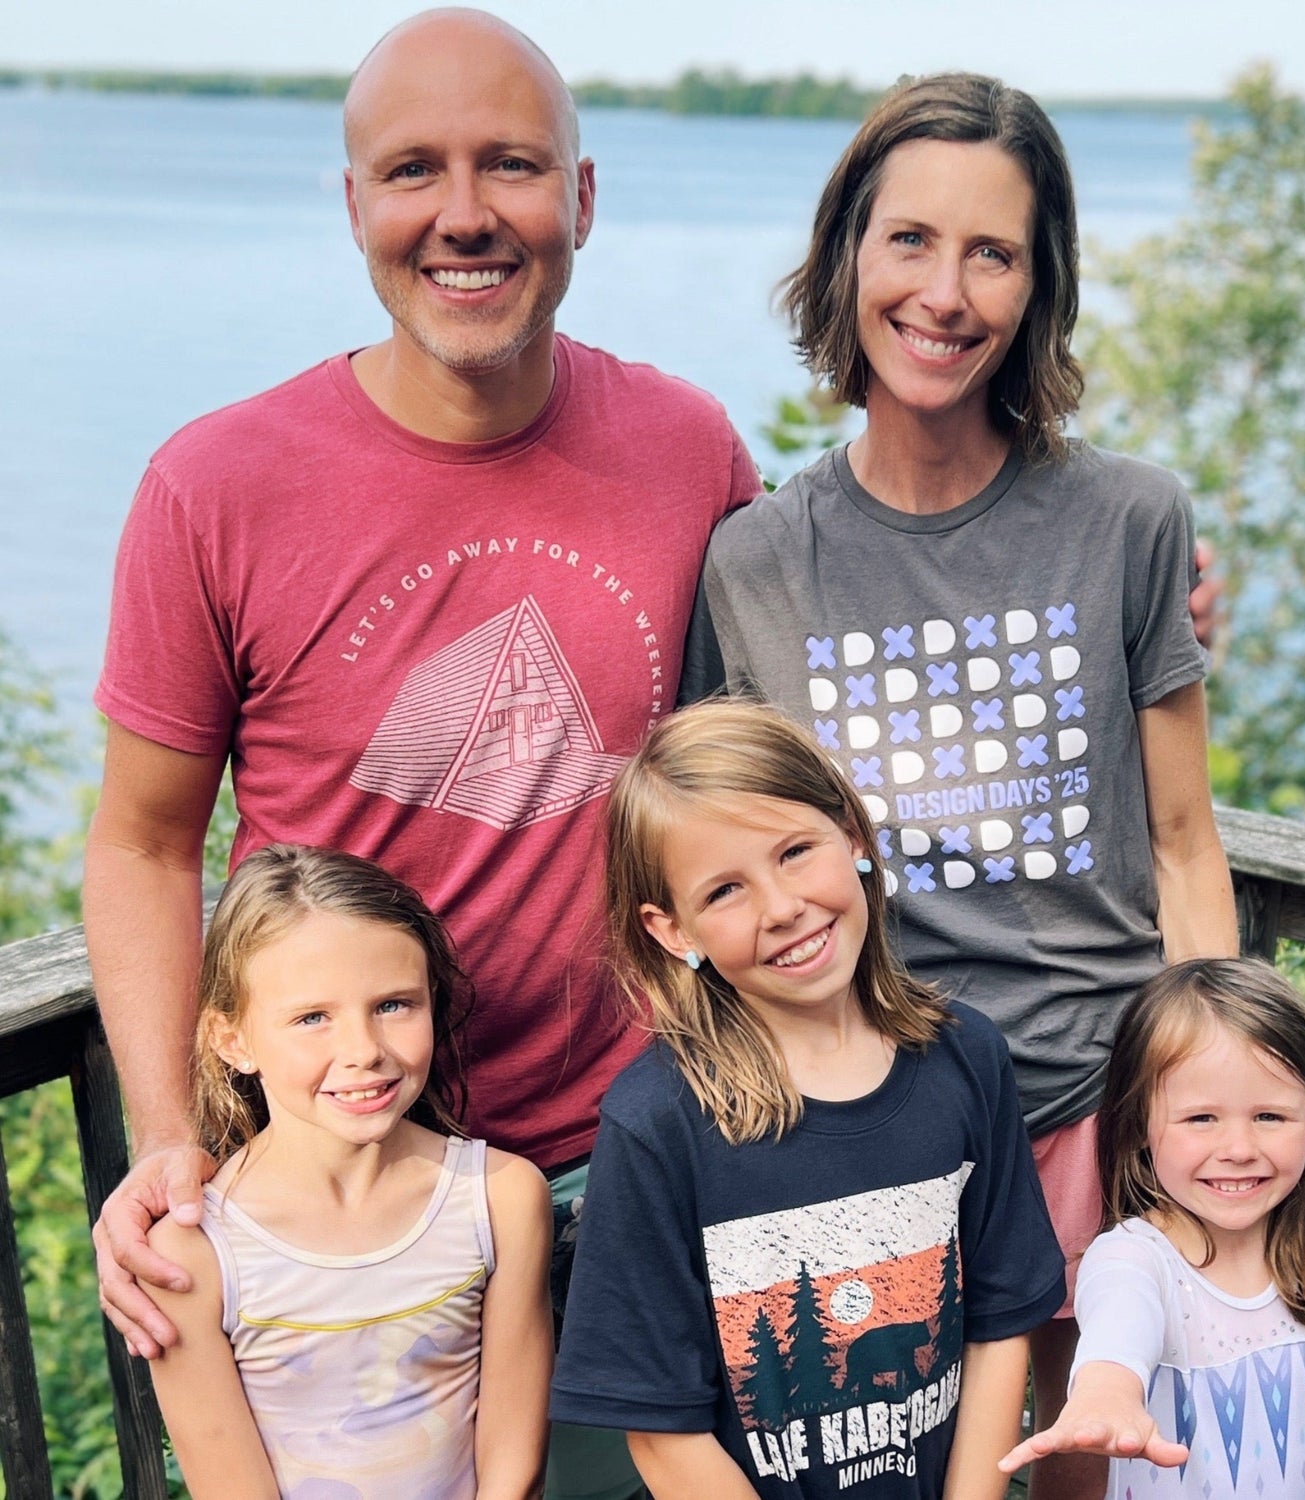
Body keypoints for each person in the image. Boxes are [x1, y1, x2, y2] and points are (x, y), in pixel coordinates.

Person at [85, 10, 761, 1497]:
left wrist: (1117, 608)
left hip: (632, 1164)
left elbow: (773, 727)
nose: (464, 214)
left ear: (580, 197)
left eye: (511, 165)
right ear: (354, 208)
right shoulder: (216, 486)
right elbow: (141, 843)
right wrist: (159, 1137)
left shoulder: (687, 446)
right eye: (413, 171)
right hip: (335, 1193)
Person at [677, 71, 1239, 1500]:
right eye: (910, 240)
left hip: (1099, 1104)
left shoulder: (1130, 519)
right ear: (848, 253)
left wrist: (1219, 1091)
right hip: (877, 1127)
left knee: (1089, 1465)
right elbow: (717, 859)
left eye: (994, 252)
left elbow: (1182, 838)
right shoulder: (755, 561)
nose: (946, 290)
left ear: (1039, 287)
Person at [550, 699, 1065, 1499]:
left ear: (853, 836)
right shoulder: (656, 1123)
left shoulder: (969, 1059)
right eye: (724, 891)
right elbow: (660, 1433)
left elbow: (1002, 1329)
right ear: (671, 930)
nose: (782, 906)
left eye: (795, 852)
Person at [999, 958, 1305, 1495]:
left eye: (1269, 1117)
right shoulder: (1132, 1259)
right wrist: (1105, 1394)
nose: (1238, 1150)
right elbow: (1118, 1338)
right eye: (1200, 1119)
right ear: (1140, 1122)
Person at [144, 843, 552, 1499]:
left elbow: (514, 1467)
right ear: (233, 1039)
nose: (363, 1051)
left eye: (394, 1005)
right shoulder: (192, 1257)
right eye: (312, 1018)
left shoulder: (501, 1199)